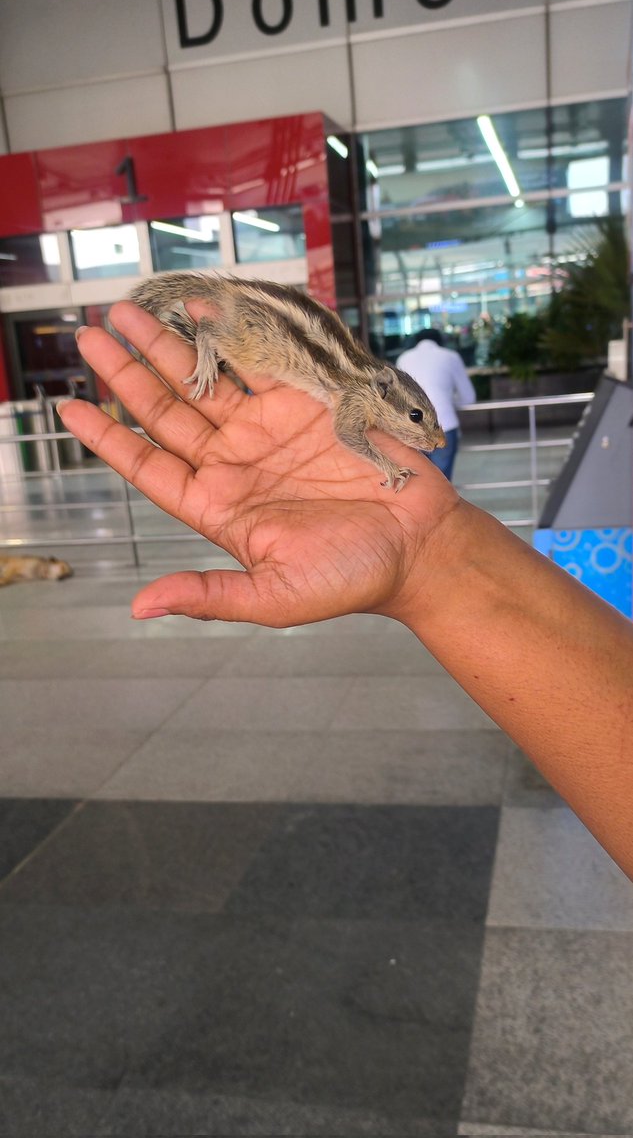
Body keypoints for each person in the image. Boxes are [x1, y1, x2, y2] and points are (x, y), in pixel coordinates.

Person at [57, 302, 633, 881]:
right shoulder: (360, 396)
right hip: (263, 333)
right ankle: (204, 330)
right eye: (415, 422)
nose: (427, 438)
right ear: (386, 392)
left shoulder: (375, 387)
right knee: (228, 335)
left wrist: (428, 547)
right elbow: (347, 432)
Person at [396, 328, 475, 480]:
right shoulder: (451, 356)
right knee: (442, 482)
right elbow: (468, 397)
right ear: (440, 341)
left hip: (411, 428)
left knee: (418, 482)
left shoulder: (403, 358)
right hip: (444, 425)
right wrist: (447, 400)